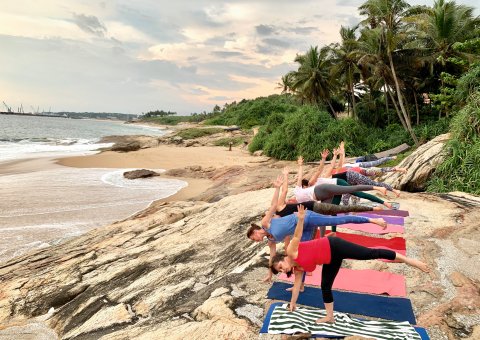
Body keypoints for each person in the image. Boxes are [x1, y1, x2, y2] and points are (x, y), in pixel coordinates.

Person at [270, 205, 430, 324]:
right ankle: (330, 317)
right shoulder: (298, 269)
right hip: (329, 260)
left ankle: (410, 261)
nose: (283, 270)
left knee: (369, 254)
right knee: (325, 286)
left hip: (334, 246)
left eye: (280, 267)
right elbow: (297, 287)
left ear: (282, 259)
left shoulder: (290, 251)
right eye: (280, 271)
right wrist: (292, 304)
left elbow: (297, 236)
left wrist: (301, 219)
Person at [247, 176, 387, 283]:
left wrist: (277, 188)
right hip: (302, 229)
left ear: (256, 232)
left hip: (306, 217)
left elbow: (273, 206)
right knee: (301, 256)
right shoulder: (271, 240)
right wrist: (269, 274)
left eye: (254, 238)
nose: (256, 240)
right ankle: (300, 285)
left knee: (339, 219)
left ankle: (374, 220)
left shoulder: (266, 223)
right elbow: (272, 258)